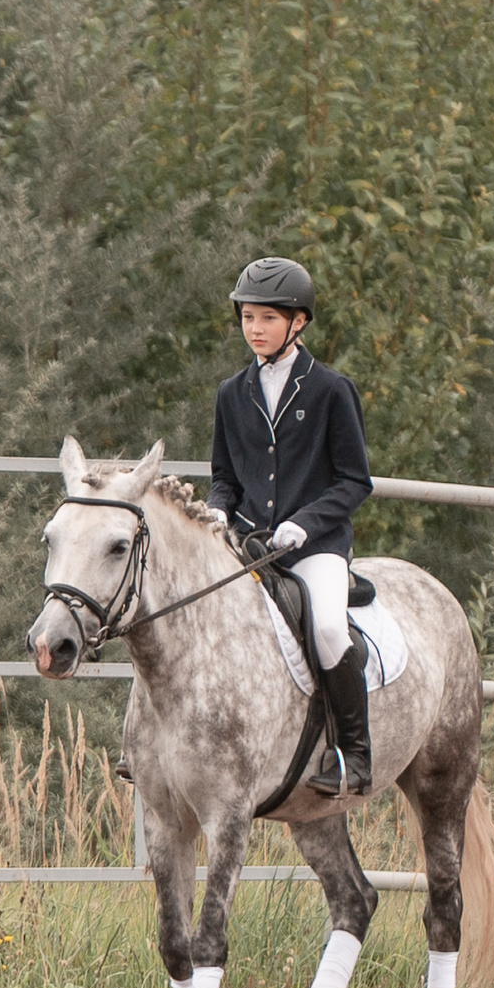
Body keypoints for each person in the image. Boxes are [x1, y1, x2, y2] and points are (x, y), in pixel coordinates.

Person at [208, 255, 374, 796]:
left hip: (316, 546)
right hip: (249, 544)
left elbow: (354, 481)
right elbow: (225, 477)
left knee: (327, 627)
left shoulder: (330, 389)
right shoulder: (232, 394)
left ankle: (354, 754)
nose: (254, 329)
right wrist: (216, 510)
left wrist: (305, 523)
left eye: (267, 319)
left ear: (297, 322)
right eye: (248, 318)